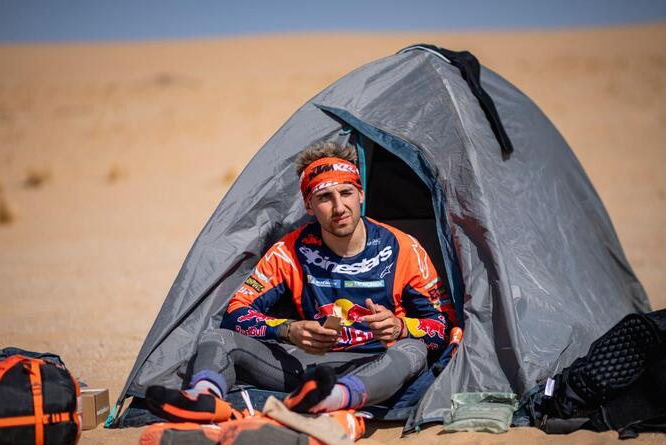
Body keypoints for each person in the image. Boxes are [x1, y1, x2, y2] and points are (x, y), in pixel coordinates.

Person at [146, 141, 458, 423]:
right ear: (308, 206)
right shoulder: (289, 251)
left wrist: (401, 327)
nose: (339, 207)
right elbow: (236, 315)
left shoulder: (404, 248)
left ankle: (333, 399)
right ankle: (204, 399)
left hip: (378, 362)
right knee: (217, 337)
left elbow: (444, 327)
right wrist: (288, 330)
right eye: (324, 197)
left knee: (413, 350)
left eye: (346, 193)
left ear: (361, 194)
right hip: (310, 367)